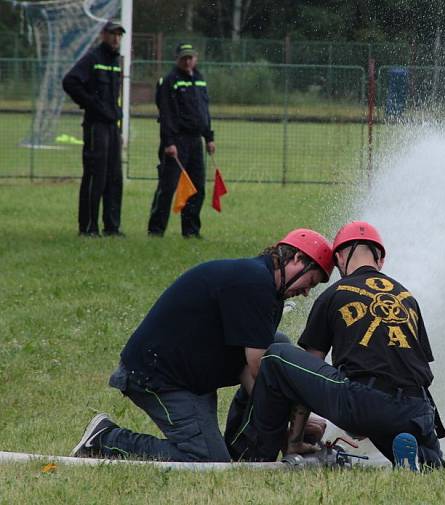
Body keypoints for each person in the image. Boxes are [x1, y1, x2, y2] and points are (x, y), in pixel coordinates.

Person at [69, 229, 334, 462]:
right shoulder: (255, 283)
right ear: (296, 259)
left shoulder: (264, 285)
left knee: (277, 346)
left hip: (192, 379)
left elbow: (250, 370)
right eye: (309, 282)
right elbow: (257, 370)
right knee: (206, 460)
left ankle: (241, 448)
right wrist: (291, 422)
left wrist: (287, 422)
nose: (306, 292)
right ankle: (106, 439)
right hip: (157, 378)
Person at [228, 221, 445, 469]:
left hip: (365, 404)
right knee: (424, 460)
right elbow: (416, 364)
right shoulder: (408, 297)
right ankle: (425, 459)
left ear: (341, 257)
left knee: (277, 355)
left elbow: (308, 372)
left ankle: (255, 457)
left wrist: (296, 439)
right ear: (381, 260)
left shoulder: (334, 293)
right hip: (418, 411)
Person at [62, 21, 125, 237]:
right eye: (112, 34)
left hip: (112, 126)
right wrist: (93, 104)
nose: (116, 38)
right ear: (103, 35)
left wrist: (116, 113)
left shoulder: (116, 62)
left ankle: (112, 227)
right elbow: (70, 82)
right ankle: (88, 227)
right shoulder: (93, 58)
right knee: (95, 175)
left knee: (114, 176)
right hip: (96, 126)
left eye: (119, 35)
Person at [147, 42, 215, 238]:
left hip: (195, 142)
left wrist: (209, 137)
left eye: (190, 57)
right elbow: (166, 114)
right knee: (168, 187)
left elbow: (204, 112)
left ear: (196, 58)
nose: (187, 61)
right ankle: (156, 229)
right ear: (177, 59)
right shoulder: (169, 81)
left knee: (197, 187)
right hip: (176, 141)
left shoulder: (200, 80)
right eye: (184, 58)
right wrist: (169, 142)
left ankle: (191, 230)